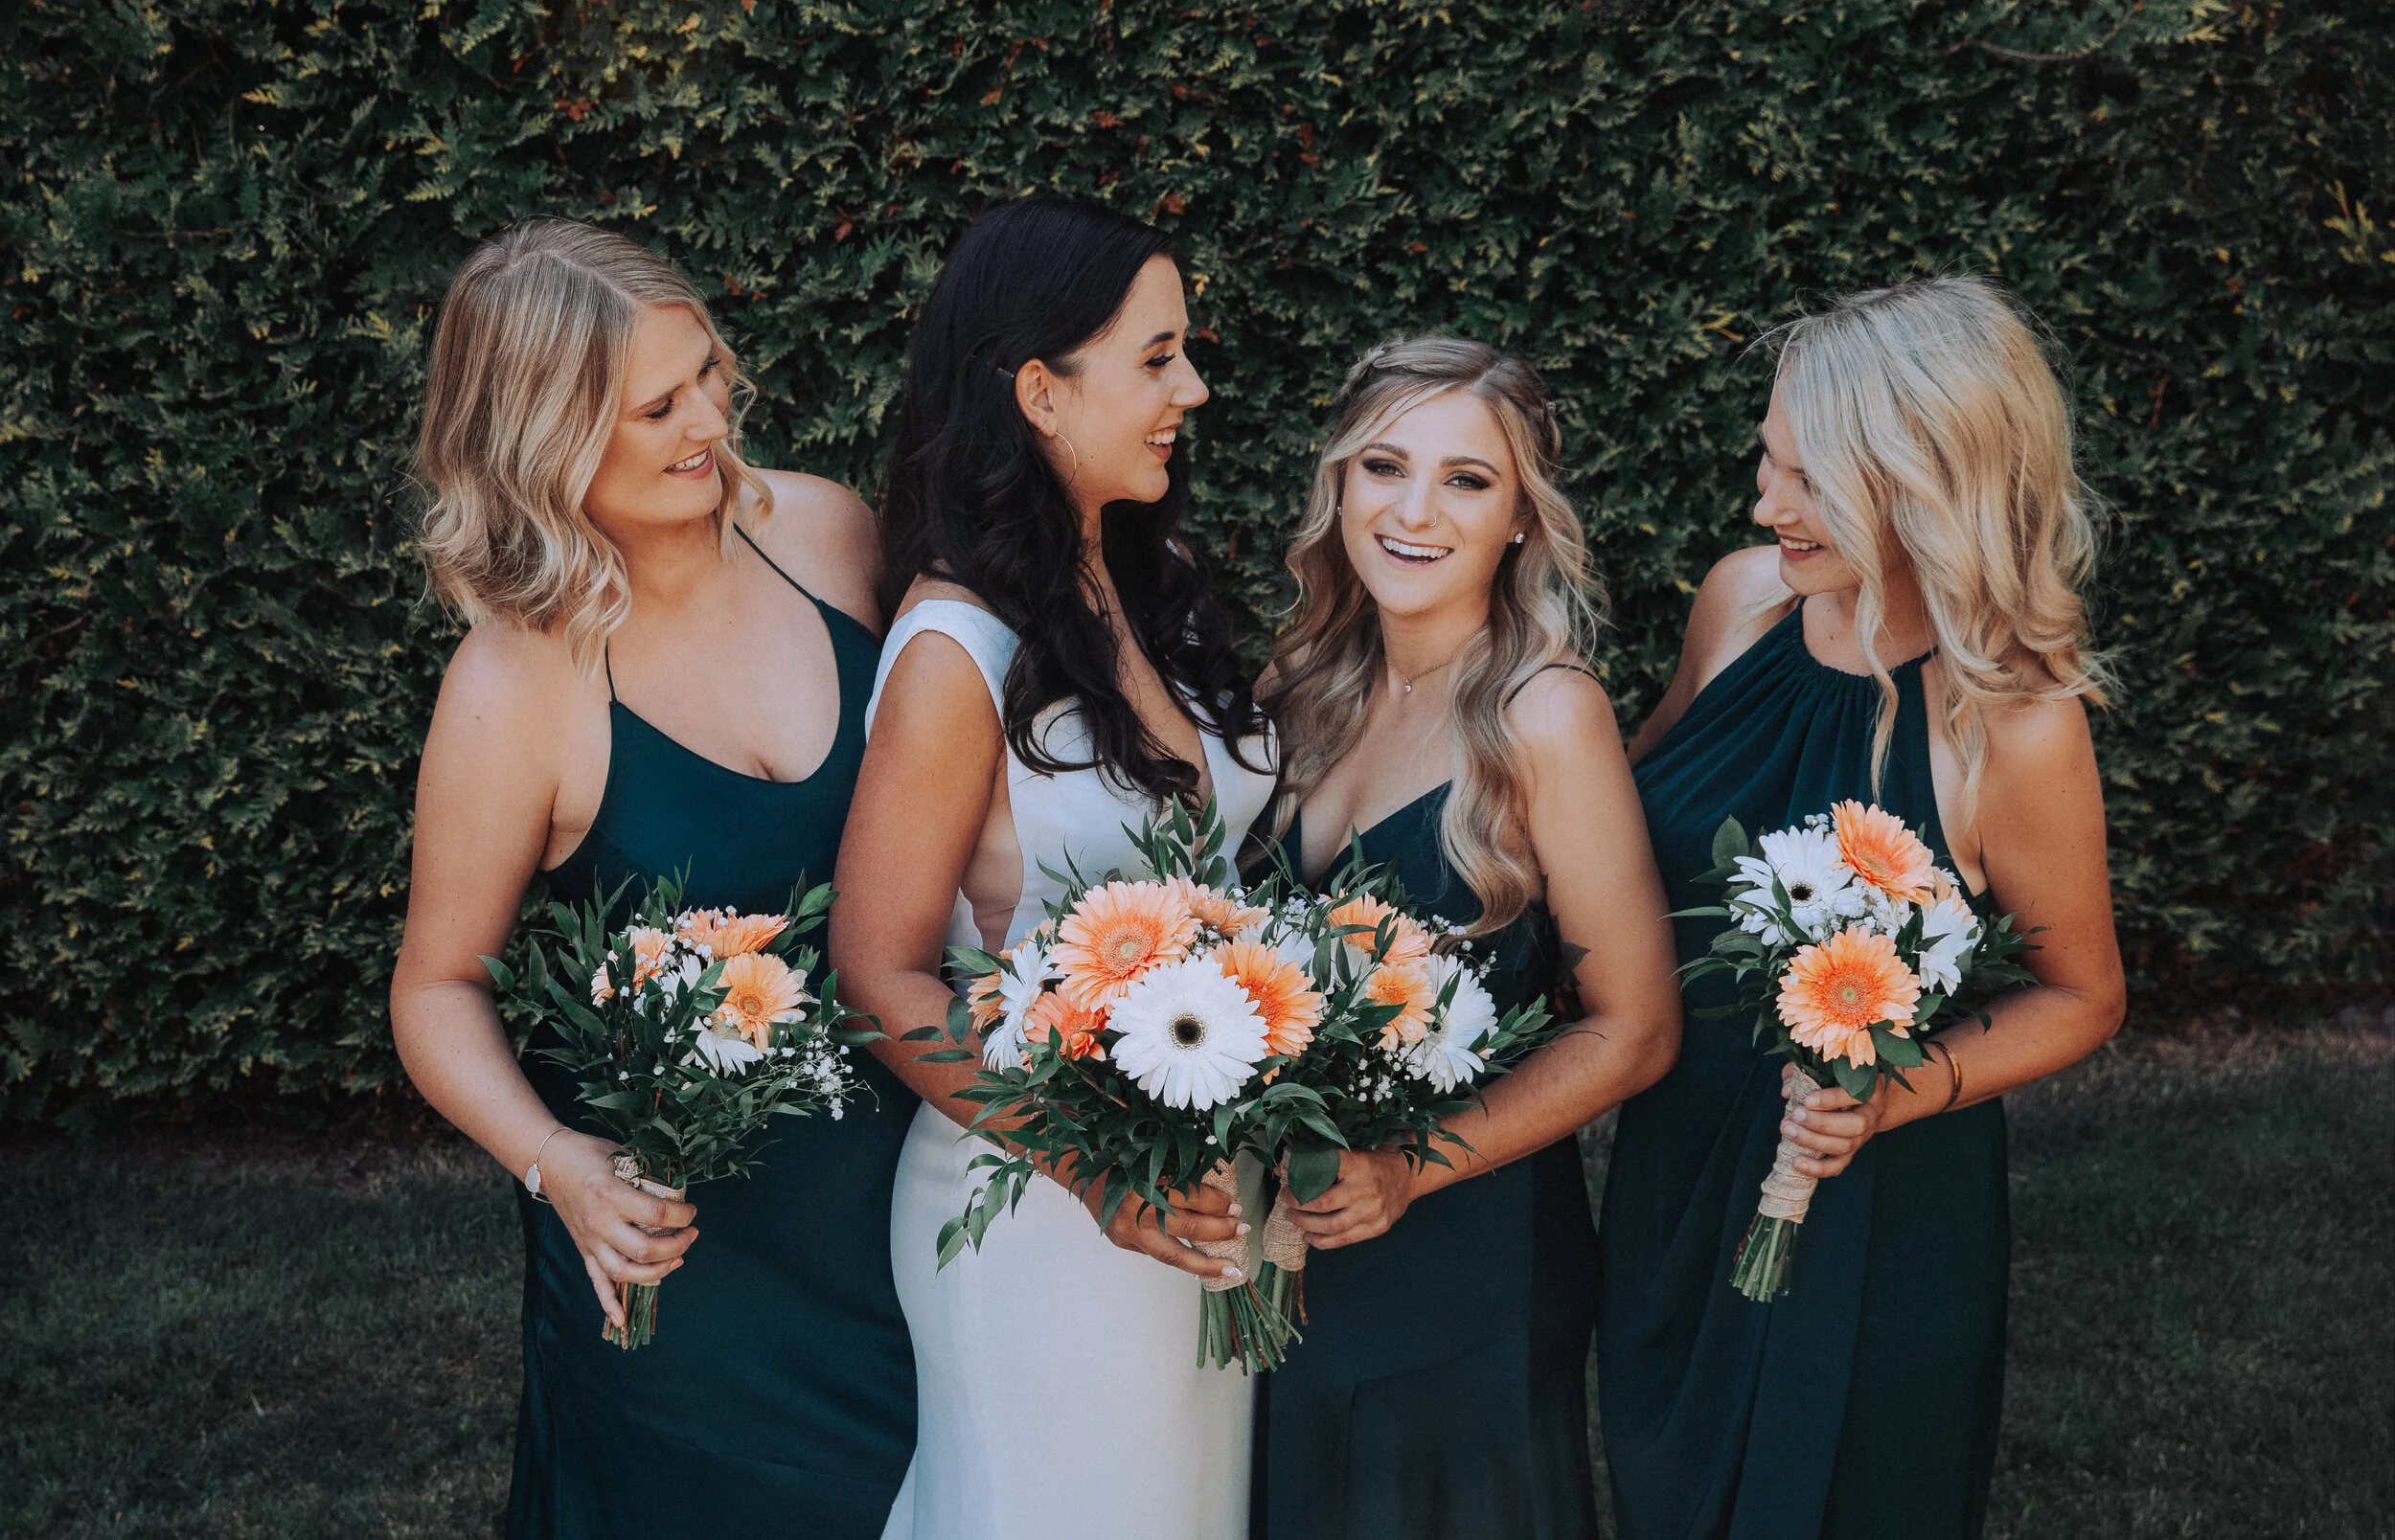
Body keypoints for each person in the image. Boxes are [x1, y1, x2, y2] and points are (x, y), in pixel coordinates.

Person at [387, 219, 916, 1539]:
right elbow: (437, 987)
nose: (712, 423)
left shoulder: (825, 533)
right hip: (684, 1266)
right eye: (659, 408)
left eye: (709, 376)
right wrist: (557, 1164)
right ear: (547, 440)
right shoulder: (514, 685)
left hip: (903, 1202)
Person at [1595, 278, 2128, 1540]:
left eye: (1810, 478)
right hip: (1676, 1157)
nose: (1765, 504)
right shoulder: (1742, 605)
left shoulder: (2013, 722)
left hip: (1873, 1195)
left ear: (1929, 481)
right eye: (1767, 461)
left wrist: (1892, 1093)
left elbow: (2082, 994)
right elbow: (1621, 833)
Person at [829, 198, 1279, 1540]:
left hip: (1207, 1191)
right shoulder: (954, 652)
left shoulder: (1155, 576)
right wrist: (1097, 1170)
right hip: (1039, 1206)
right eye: (1157, 358)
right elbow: (879, 972)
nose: (1193, 390)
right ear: (1038, 390)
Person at [1250, 338, 1681, 1539]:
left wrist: (1409, 1165)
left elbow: (1636, 1030)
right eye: (1385, 466)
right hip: (1293, 1245)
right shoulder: (1301, 684)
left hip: (1468, 1260)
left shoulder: (1546, 712)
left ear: (1520, 518)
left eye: (1467, 481)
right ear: (1339, 482)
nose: (1414, 512)